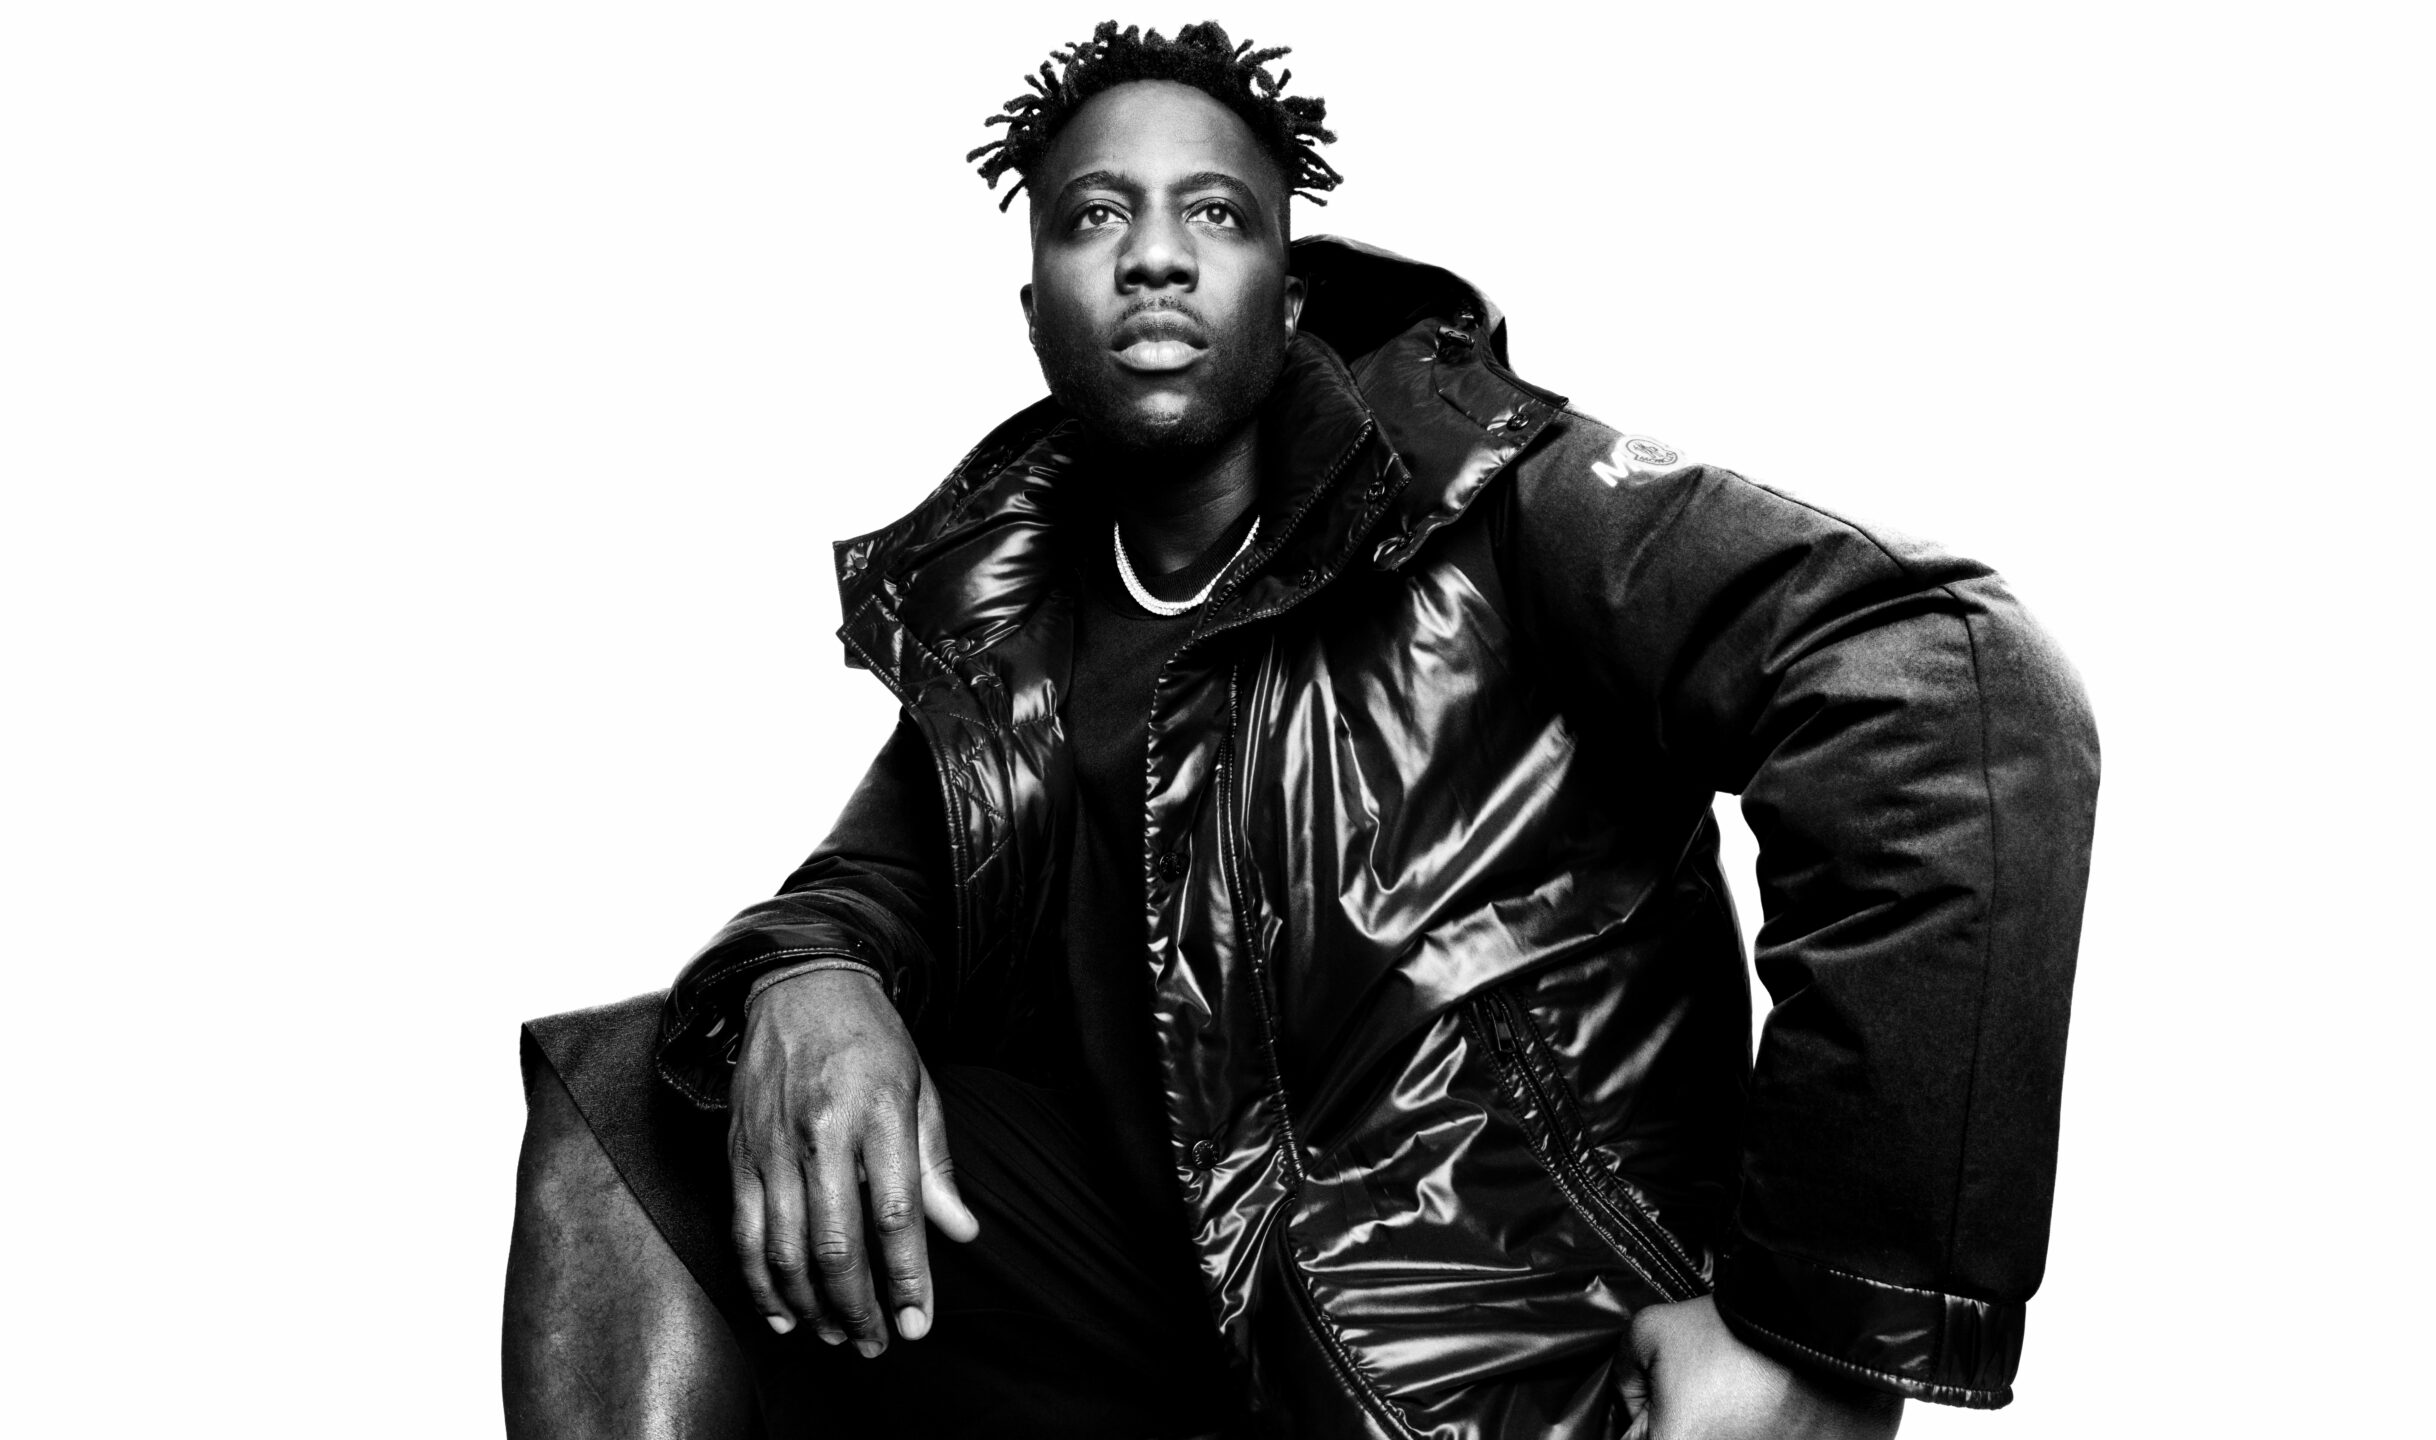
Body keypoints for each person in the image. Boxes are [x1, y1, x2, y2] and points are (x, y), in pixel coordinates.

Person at [504, 21, 2099, 1440]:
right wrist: (805, 981)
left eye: (1214, 213)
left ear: (1289, 283)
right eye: (1095, 216)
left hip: (1495, 1339)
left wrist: (1816, 1337)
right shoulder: (1013, 634)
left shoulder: (1493, 499)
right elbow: (863, 888)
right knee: (632, 1097)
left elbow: (1938, 691)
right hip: (1170, 1319)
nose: (1154, 255)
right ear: (1036, 304)